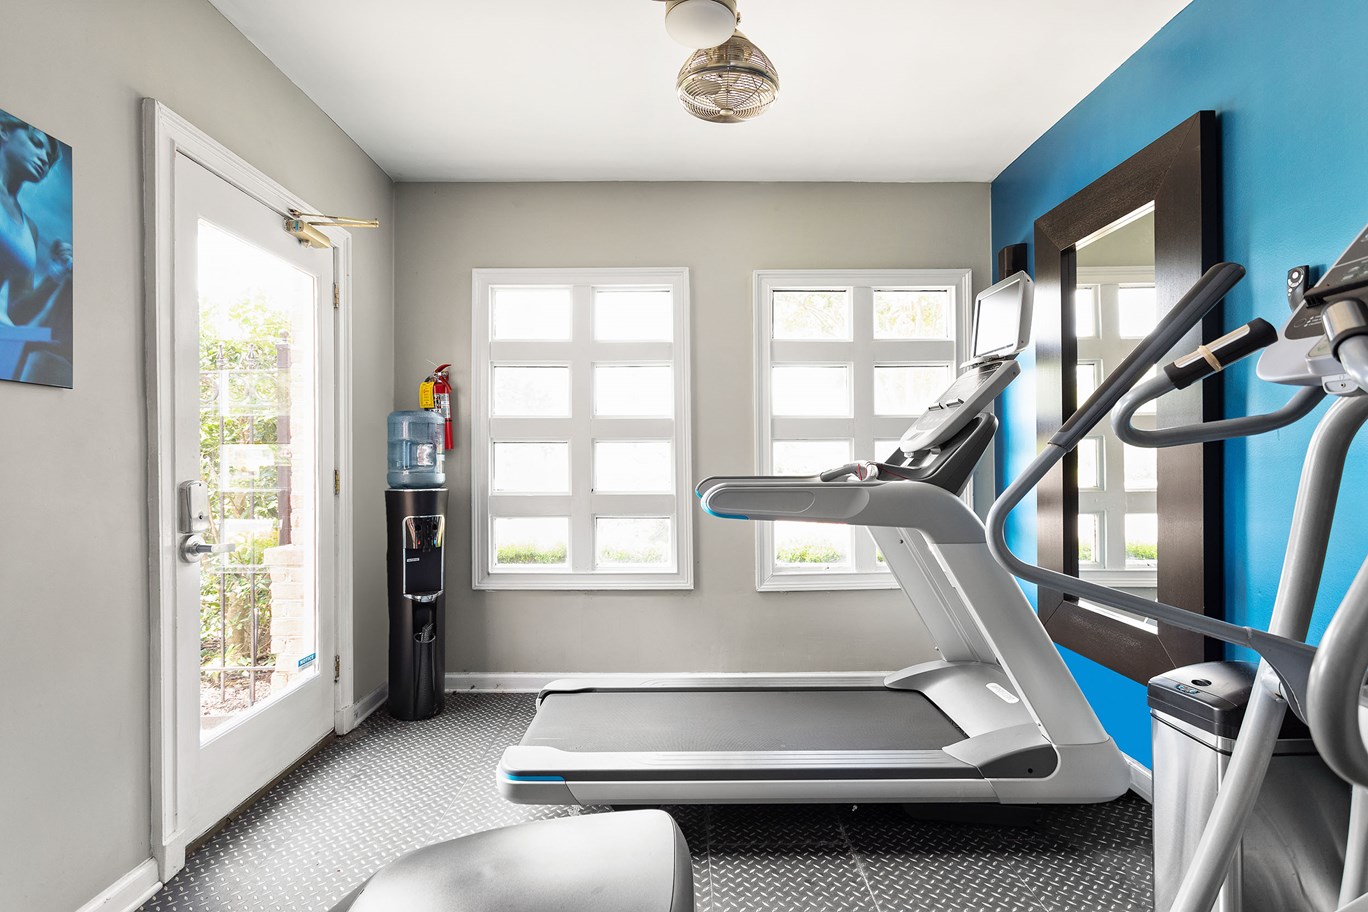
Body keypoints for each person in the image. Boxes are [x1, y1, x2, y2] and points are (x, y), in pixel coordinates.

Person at [0, 112, 73, 384]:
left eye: (50, 159)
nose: (44, 158)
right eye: (37, 143)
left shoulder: (28, 227)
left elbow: (18, 312)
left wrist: (55, 275)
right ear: (4, 131)